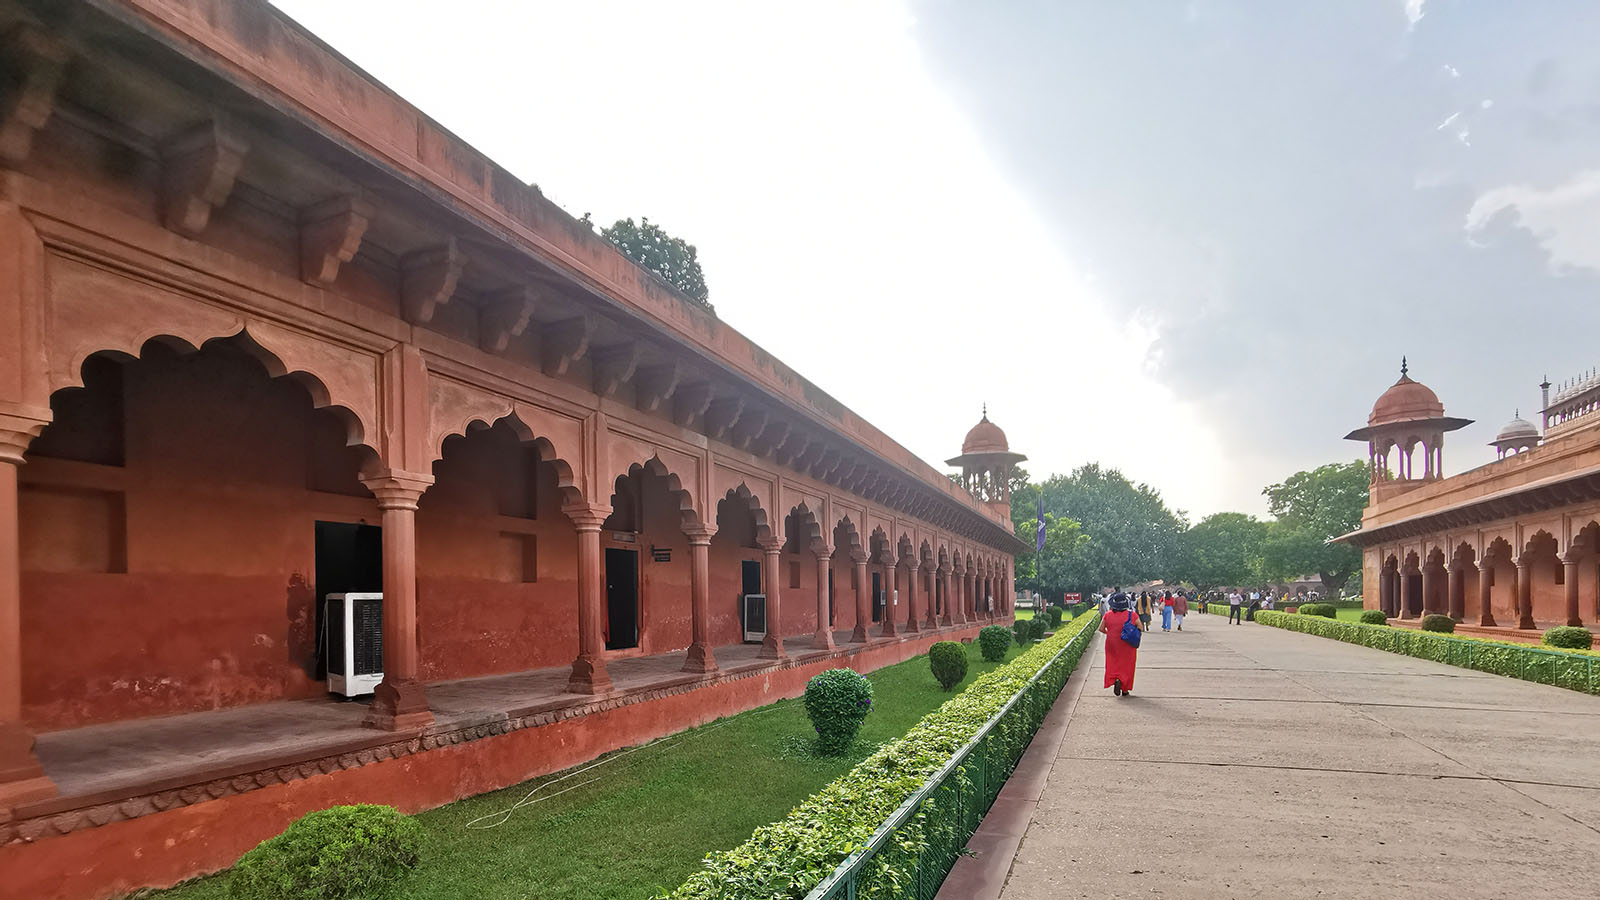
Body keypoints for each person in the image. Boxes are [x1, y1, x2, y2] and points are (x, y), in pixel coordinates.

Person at [1099, 591, 1138, 697]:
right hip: (1127, 644)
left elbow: (1101, 629)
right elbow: (1140, 628)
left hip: (1112, 643)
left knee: (1112, 663)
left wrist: (1110, 633)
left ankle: (1115, 678)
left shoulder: (1107, 615)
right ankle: (1125, 688)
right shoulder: (1132, 615)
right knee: (1127, 665)